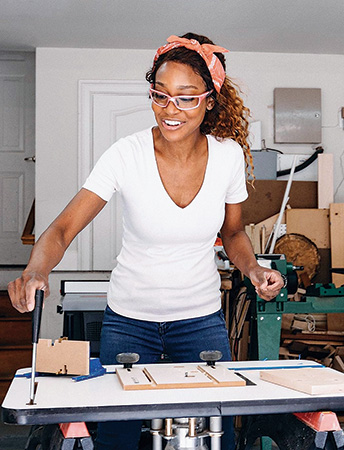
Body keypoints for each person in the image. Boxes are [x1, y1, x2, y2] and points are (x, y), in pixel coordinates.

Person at [8, 33, 284, 449]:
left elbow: (232, 233)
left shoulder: (227, 155)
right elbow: (63, 228)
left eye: (186, 97)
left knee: (215, 434)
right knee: (118, 435)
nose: (170, 110)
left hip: (201, 322)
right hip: (129, 322)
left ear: (210, 100)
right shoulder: (126, 154)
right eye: (160, 95)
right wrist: (34, 272)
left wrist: (254, 268)